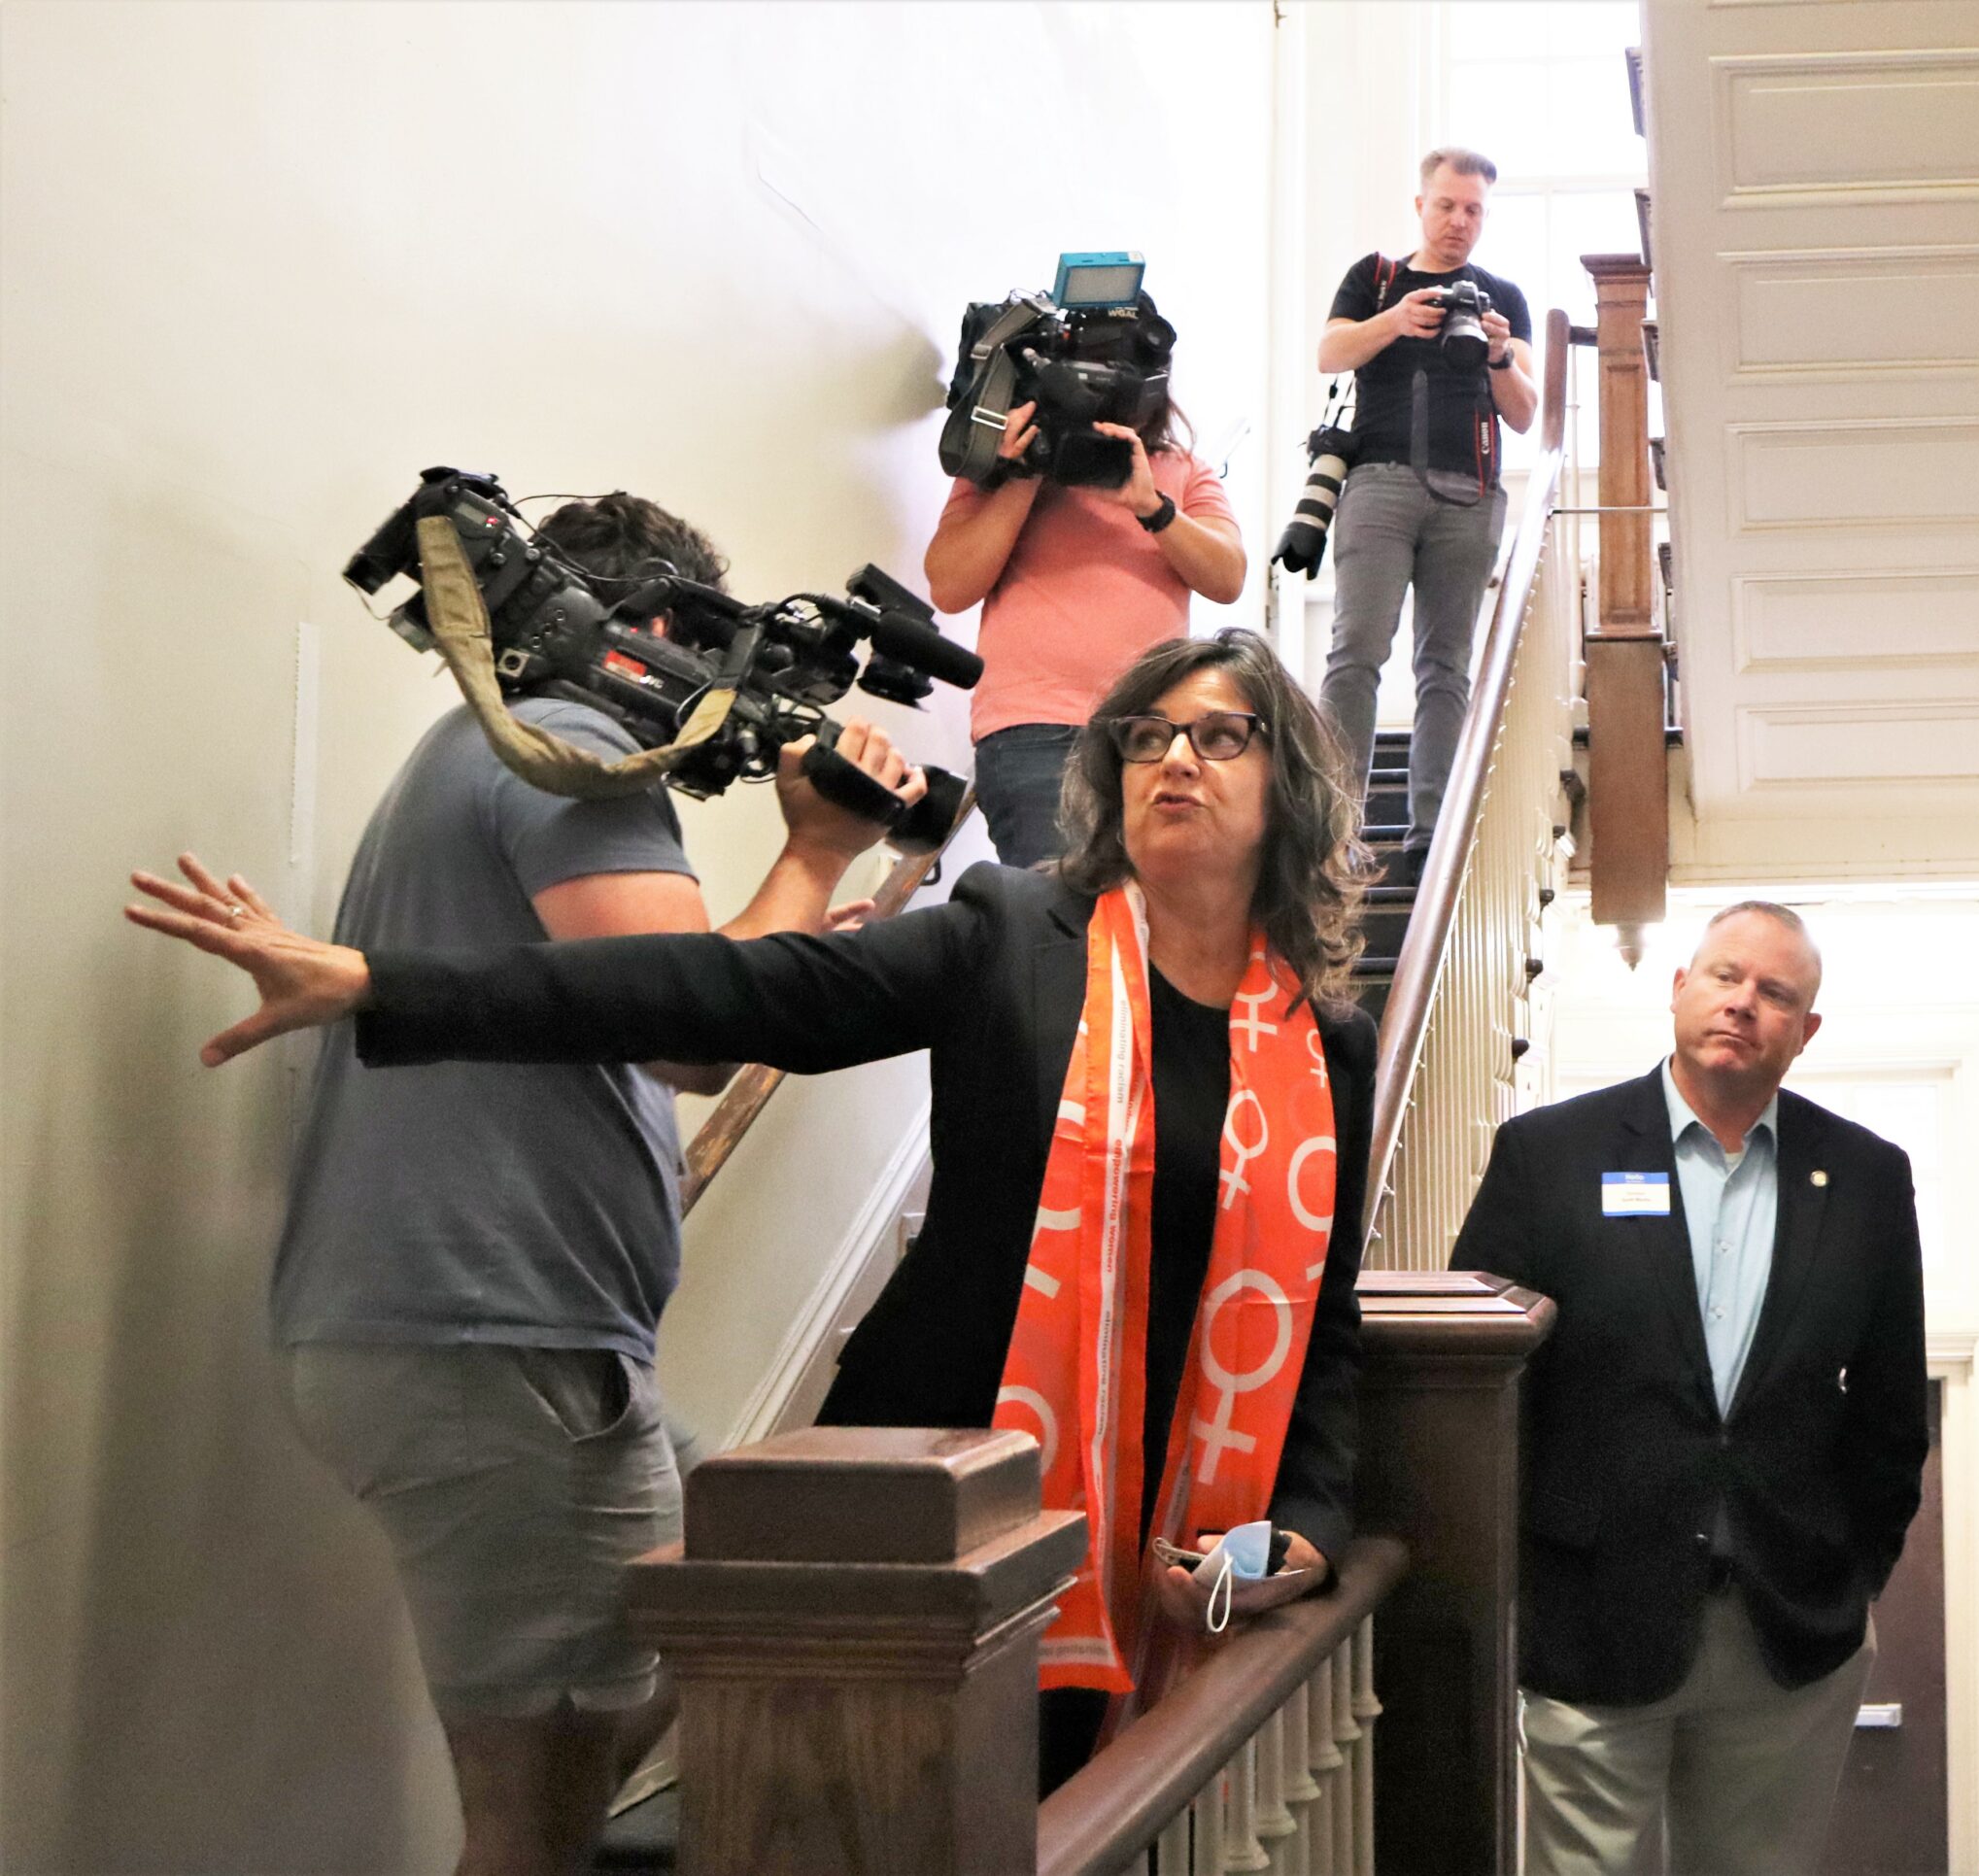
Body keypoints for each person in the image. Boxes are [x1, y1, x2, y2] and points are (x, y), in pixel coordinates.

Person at [125, 626, 1373, 1799]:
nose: (1172, 759)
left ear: (1288, 782)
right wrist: (383, 984)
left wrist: (1303, 1530)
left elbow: (1318, 1324)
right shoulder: (1013, 938)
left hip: (1181, 1551)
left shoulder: (1327, 1044)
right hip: (945, 1512)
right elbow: (722, 988)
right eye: (1144, 735)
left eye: (1219, 736)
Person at [158, 492, 921, 1876]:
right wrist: (812, 853)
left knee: (763, 1573)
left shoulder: (498, 748)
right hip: (490, 1334)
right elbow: (692, 1026)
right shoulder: (573, 755)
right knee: (535, 1822)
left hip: (476, 1330)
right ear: (657, 635)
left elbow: (636, 995)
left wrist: (804, 914)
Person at [1452, 901, 1926, 1876]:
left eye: (1776, 993)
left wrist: (1849, 1569)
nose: (1743, 1003)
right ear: (1678, 989)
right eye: (1724, 976)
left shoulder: (1869, 1177)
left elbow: (1887, 1411)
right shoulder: (1548, 1154)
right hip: (1588, 1617)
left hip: (1785, 1626)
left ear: (1806, 1029)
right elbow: (1480, 1390)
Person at [925, 354, 1247, 870]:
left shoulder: (1182, 470)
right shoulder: (993, 467)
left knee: (1154, 926)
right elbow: (950, 586)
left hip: (1154, 734)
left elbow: (1227, 576)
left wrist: (1154, 507)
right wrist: (1026, 473)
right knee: (1058, 927)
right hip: (1033, 732)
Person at [1316, 145, 1537, 876]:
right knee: (1356, 653)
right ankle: (1337, 828)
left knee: (1446, 666)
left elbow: (1527, 414)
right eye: (1447, 205)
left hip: (1469, 494)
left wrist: (1500, 355)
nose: (1459, 221)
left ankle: (1432, 833)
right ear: (1421, 205)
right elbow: (1329, 353)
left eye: (1474, 209)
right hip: (1377, 482)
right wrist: (1396, 319)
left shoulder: (1501, 296)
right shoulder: (1375, 277)